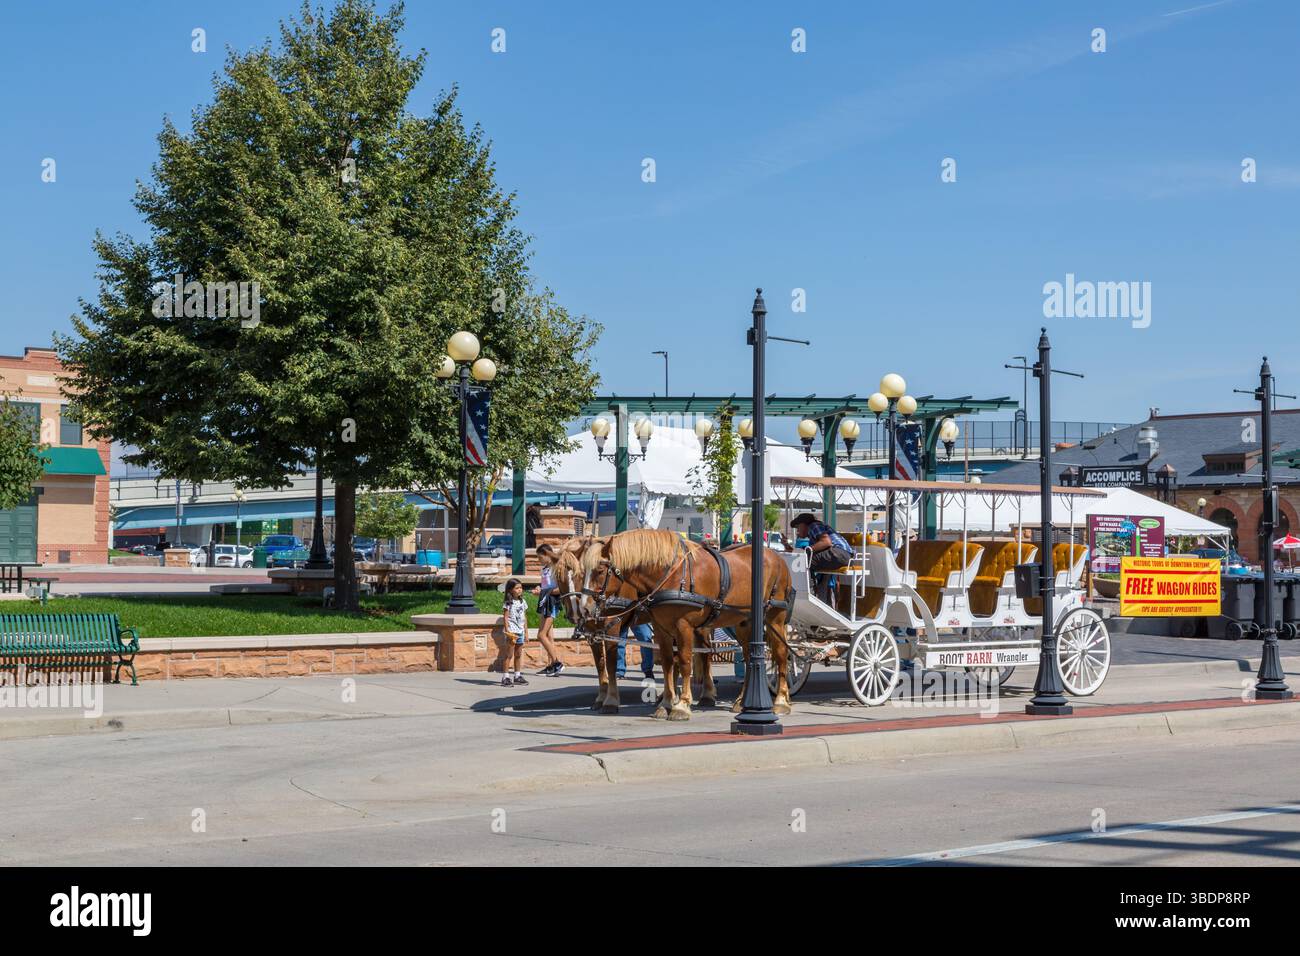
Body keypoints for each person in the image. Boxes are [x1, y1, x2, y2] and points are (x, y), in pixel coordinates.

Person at [791, 512, 852, 602]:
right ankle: (818, 594)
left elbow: (826, 542)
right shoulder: (814, 532)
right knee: (808, 560)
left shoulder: (813, 525)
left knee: (803, 562)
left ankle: (809, 593)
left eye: (798, 527)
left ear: (804, 524)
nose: (797, 531)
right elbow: (814, 549)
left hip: (839, 553)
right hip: (842, 555)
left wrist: (805, 551)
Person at [534, 544, 564, 675]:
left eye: (540, 557)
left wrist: (545, 592)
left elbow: (561, 589)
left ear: (547, 554)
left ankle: (557, 663)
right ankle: (551, 665)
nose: (538, 560)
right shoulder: (544, 569)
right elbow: (546, 587)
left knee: (541, 635)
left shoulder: (556, 568)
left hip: (552, 603)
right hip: (545, 602)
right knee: (548, 636)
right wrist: (539, 591)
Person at [501, 578, 529, 687]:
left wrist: (526, 632)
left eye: (521, 588)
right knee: (509, 655)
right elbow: (506, 617)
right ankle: (505, 677)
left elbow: (524, 617)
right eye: (517, 588)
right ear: (510, 590)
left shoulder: (523, 601)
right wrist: (507, 630)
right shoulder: (508, 602)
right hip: (512, 631)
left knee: (518, 654)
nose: (519, 590)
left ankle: (517, 676)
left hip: (520, 631)